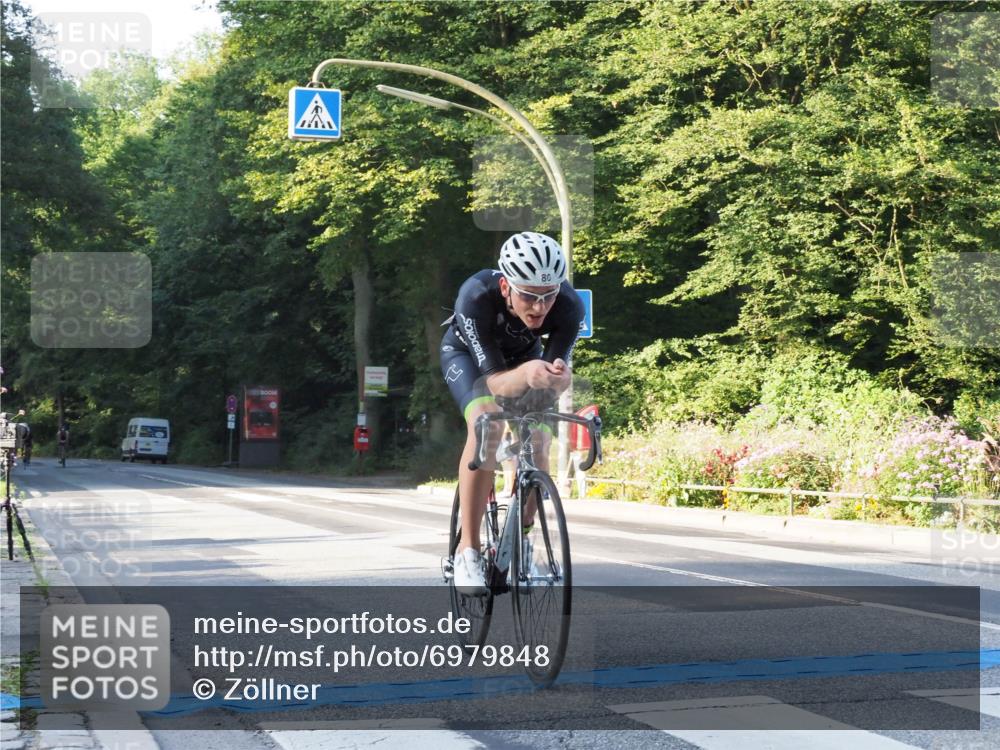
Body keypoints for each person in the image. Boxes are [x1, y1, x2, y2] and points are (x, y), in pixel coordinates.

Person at [440, 231, 584, 594]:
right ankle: (468, 550)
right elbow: (493, 383)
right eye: (529, 296)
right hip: (469, 359)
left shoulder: (569, 307)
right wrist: (525, 374)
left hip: (524, 360)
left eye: (547, 296)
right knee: (486, 424)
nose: (539, 308)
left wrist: (559, 380)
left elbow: (553, 378)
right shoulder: (475, 296)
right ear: (506, 287)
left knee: (539, 439)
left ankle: (522, 536)